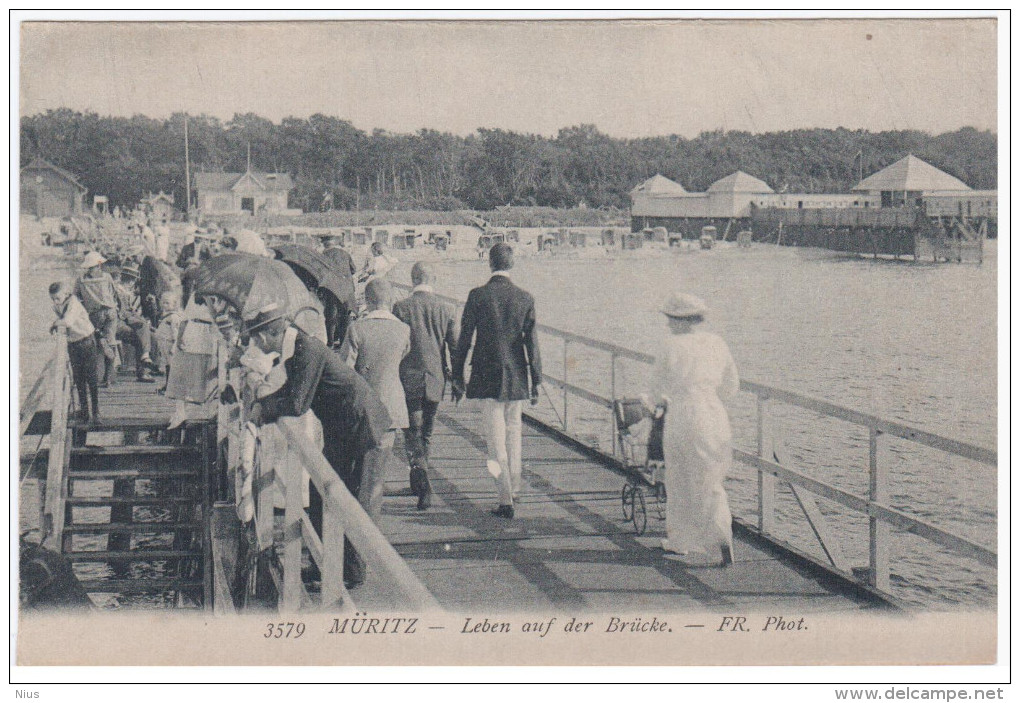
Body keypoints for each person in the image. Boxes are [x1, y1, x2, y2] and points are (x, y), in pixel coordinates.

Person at [245, 306, 391, 588]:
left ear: (267, 335)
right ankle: (325, 563)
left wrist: (263, 409)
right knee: (320, 493)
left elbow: (298, 404)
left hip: (363, 428)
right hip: (343, 429)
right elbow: (291, 392)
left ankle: (351, 574)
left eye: (256, 338)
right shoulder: (295, 347)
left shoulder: (306, 348)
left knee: (355, 501)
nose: (256, 344)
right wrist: (262, 403)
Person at [646, 292, 739, 567]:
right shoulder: (717, 343)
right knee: (712, 477)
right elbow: (731, 387)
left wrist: (659, 402)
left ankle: (680, 540)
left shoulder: (670, 345)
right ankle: (722, 534)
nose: (668, 324)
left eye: (670, 319)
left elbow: (655, 389)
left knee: (679, 477)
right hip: (714, 414)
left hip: (684, 413)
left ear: (680, 320)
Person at [451, 243, 542, 519]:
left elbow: (464, 339)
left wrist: (457, 375)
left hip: (486, 375)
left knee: (495, 440)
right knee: (514, 433)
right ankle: (513, 488)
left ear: (489, 263)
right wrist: (537, 379)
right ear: (511, 264)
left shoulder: (477, 296)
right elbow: (532, 344)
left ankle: (504, 501)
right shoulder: (525, 298)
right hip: (516, 376)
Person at [340, 279, 410, 514]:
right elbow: (401, 357)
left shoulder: (356, 329)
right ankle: (371, 526)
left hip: (360, 409)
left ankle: (355, 531)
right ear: (390, 300)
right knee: (376, 476)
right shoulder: (403, 330)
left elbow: (345, 372)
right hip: (391, 407)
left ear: (367, 301)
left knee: (356, 473)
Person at [392, 262, 459, 510]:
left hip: (408, 378)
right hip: (435, 379)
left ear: (412, 279)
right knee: (426, 433)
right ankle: (418, 481)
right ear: (434, 279)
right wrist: (459, 381)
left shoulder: (401, 307)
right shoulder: (447, 308)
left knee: (411, 433)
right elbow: (455, 347)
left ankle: (424, 486)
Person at [49, 281, 100, 424]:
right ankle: (85, 412)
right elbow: (62, 319)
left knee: (91, 378)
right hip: (73, 344)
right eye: (52, 298)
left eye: (57, 298)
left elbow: (67, 322)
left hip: (86, 341)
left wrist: (54, 324)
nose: (55, 301)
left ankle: (96, 413)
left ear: (65, 293)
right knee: (78, 379)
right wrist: (56, 322)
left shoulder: (74, 304)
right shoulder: (58, 305)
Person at [74, 251, 119, 387]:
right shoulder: (107, 277)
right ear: (99, 265)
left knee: (93, 343)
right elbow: (114, 293)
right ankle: (108, 378)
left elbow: (75, 297)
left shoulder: (81, 280)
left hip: (94, 315)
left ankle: (93, 376)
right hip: (110, 312)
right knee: (111, 342)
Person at [113, 264, 155, 382]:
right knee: (141, 335)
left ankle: (146, 366)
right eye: (132, 281)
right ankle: (143, 369)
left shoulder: (125, 291)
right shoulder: (120, 292)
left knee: (149, 334)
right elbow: (123, 313)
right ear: (130, 280)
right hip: (117, 323)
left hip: (124, 321)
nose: (132, 284)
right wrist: (139, 321)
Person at [321, 236, 358, 347]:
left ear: (324, 245)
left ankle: (330, 343)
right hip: (347, 290)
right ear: (333, 243)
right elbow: (353, 269)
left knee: (331, 317)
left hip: (332, 290)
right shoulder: (345, 253)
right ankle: (342, 344)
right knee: (345, 316)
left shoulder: (323, 256)